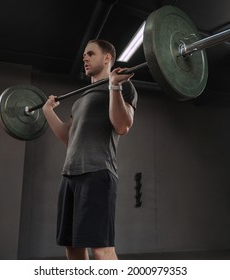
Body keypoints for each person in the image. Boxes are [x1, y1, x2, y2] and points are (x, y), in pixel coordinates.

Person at [42, 39, 138, 260]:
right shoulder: (80, 101)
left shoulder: (123, 85)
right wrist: (48, 112)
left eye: (91, 54)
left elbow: (122, 125)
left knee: (100, 249)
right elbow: (70, 138)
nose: (84, 58)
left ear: (107, 58)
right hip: (69, 175)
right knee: (72, 247)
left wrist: (114, 85)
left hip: (97, 172)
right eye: (84, 55)